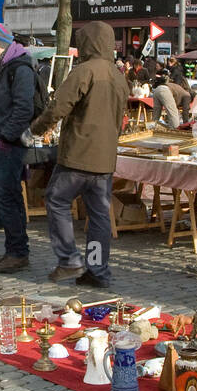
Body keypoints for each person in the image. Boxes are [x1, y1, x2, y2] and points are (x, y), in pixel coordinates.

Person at [31, 22, 128, 286]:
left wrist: (37, 128)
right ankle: (98, 270)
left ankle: (69, 259)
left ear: (87, 44)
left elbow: (58, 107)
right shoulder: (119, 75)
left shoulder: (84, 71)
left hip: (79, 154)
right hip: (105, 157)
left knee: (56, 200)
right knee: (98, 217)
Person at [0, 23, 39, 272]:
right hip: (3, 141)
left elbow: (23, 109)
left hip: (11, 143)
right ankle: (14, 250)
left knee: (7, 198)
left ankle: (18, 252)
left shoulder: (19, 68)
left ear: (4, 44)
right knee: (7, 197)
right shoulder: (3, 67)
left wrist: (6, 136)